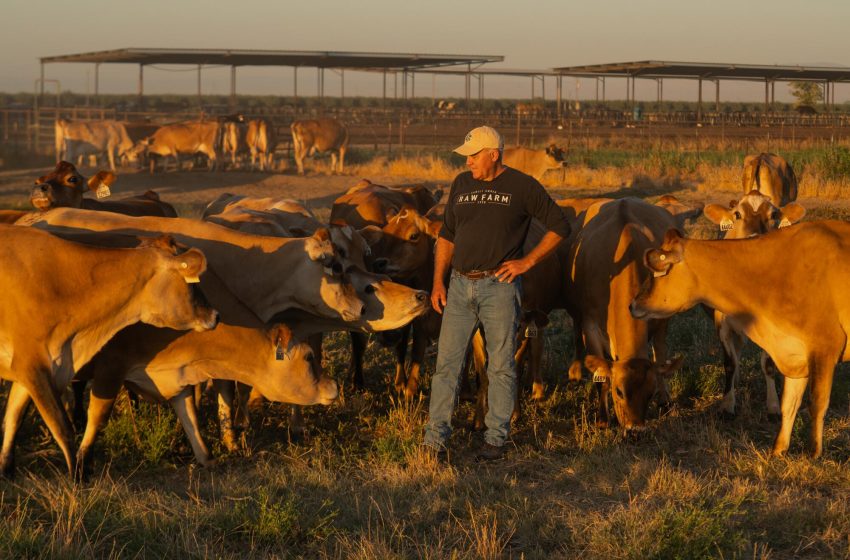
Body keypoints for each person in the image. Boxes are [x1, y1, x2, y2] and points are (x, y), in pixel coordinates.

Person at [423, 126, 571, 461]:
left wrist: (527, 262)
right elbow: (447, 235)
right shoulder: (461, 183)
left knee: (501, 366)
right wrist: (438, 281)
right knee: (447, 365)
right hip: (459, 286)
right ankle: (434, 441)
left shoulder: (522, 186)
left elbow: (560, 226)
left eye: (474, 155)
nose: (469, 161)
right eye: (467, 156)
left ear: (494, 154)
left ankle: (496, 439)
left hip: (500, 288)